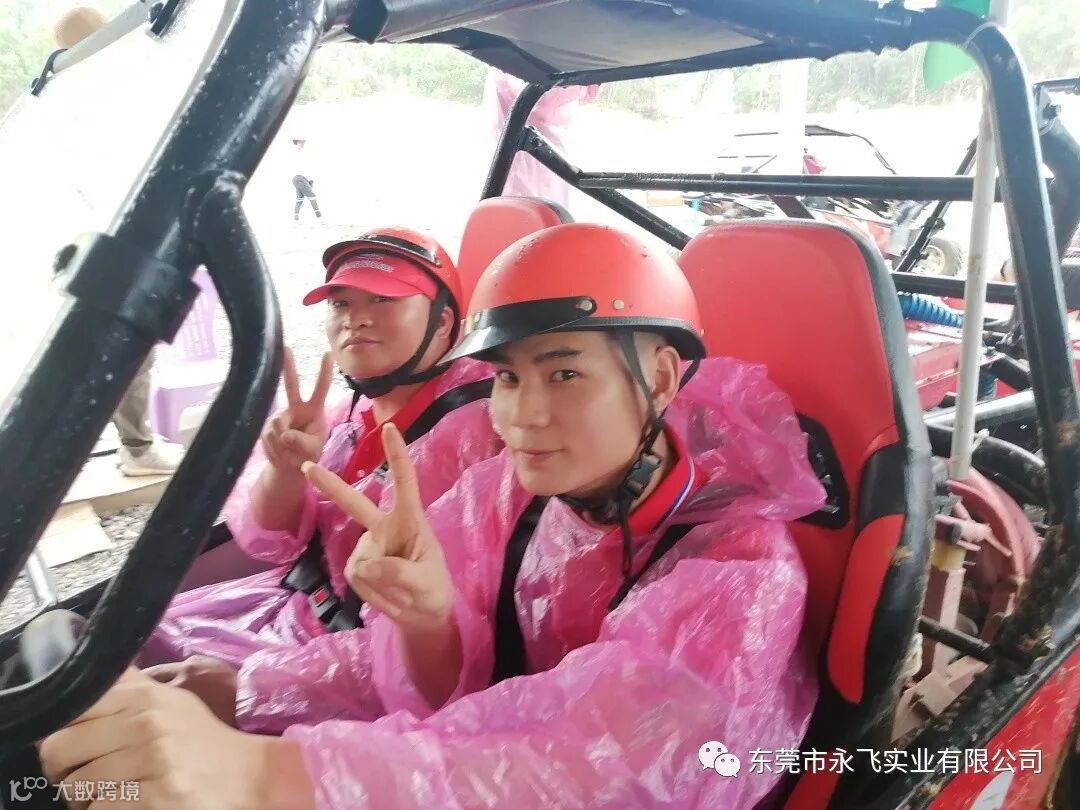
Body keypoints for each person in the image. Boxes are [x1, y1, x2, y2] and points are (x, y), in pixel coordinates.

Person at [41, 223, 825, 809]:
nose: (522, 417)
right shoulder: (507, 496)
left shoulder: (741, 572)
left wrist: (262, 776)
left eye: (564, 374)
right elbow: (439, 683)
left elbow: (596, 767)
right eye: (508, 378)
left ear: (658, 380)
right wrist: (255, 685)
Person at [141, 227, 502, 691]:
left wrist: (246, 691)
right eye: (341, 303)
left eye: (383, 300)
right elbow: (272, 544)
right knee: (117, 645)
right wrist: (286, 469)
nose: (356, 319)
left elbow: (439, 654)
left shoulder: (479, 432)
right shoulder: (344, 412)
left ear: (444, 322)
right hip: (294, 608)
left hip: (363, 659)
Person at [51, 7, 187, 477]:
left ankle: (119, 445)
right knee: (127, 348)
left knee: (92, 352)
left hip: (84, 246)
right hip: (111, 242)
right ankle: (136, 448)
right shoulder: (103, 97)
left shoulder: (66, 97)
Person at [485, 68, 600, 209]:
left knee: (546, 212)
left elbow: (588, 95)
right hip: (519, 156)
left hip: (548, 157)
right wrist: (584, 82)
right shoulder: (513, 67)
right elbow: (540, 102)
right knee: (517, 211)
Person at [292, 139, 323, 220]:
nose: (303, 144)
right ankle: (320, 217)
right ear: (297, 142)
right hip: (300, 177)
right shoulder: (298, 153)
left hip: (297, 179)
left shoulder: (300, 153)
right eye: (301, 142)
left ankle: (296, 219)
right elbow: (304, 167)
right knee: (312, 197)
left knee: (300, 199)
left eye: (303, 142)